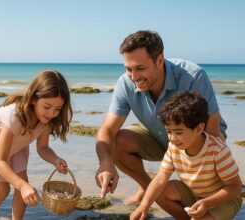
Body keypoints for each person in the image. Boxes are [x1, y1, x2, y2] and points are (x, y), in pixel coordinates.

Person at [95, 30, 227, 205]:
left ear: (159, 60)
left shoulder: (193, 77)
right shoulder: (125, 83)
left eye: (140, 68)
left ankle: (158, 195)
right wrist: (105, 162)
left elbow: (212, 132)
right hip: (156, 134)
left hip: (198, 142)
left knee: (200, 200)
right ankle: (148, 189)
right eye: (128, 69)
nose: (134, 77)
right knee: (116, 142)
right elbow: (107, 130)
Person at [0, 70, 73, 220]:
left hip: (18, 145)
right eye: (47, 106)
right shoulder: (14, 116)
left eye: (57, 109)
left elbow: (43, 148)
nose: (52, 113)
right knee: (2, 189)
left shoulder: (46, 120)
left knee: (23, 184)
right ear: (33, 99)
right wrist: (22, 186)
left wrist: (55, 160)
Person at [130, 91, 242, 220]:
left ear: (199, 129)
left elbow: (235, 187)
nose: (172, 138)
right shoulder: (174, 147)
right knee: (160, 191)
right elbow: (160, 179)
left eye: (178, 132)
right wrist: (144, 206)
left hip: (223, 201)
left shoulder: (218, 150)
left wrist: (207, 203)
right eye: (169, 131)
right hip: (193, 194)